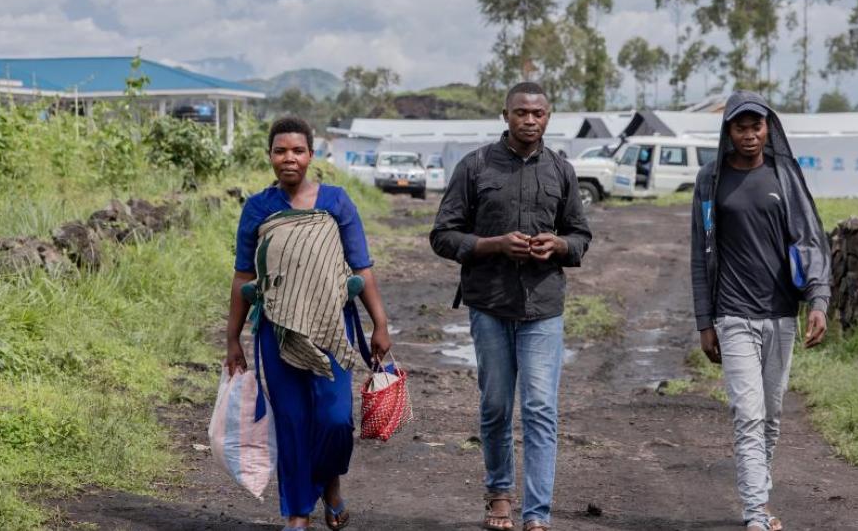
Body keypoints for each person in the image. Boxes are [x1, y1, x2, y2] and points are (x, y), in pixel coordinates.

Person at [430, 82, 592, 531]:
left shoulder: (561, 170)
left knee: (540, 407)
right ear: (505, 115)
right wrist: (492, 244)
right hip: (489, 305)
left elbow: (580, 236)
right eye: (521, 112)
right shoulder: (475, 166)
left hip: (544, 308)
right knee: (497, 405)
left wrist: (558, 244)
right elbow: (443, 235)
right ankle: (499, 495)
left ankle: (536, 513)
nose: (529, 120)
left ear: (548, 117)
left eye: (537, 113)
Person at [224, 116, 393, 531]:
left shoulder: (335, 202)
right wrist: (232, 339)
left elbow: (362, 266)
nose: (289, 158)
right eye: (280, 151)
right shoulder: (259, 208)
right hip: (277, 333)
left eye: (298, 150)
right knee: (293, 422)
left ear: (311, 156)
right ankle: (297, 513)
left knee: (336, 420)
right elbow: (244, 276)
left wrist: (380, 324)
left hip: (332, 331)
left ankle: (331, 485)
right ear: (269, 156)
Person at [690, 91, 831, 531]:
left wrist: (819, 299)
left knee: (770, 416)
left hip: (780, 315)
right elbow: (701, 252)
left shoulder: (785, 176)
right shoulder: (711, 180)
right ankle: (755, 512)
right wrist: (703, 321)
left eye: (757, 126)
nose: (749, 135)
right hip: (732, 315)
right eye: (740, 127)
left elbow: (810, 240)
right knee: (747, 414)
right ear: (727, 131)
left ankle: (759, 496)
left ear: (768, 128)